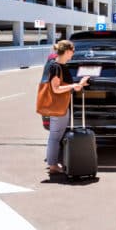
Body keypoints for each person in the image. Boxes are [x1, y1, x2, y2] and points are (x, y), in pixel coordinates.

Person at [44, 40, 89, 175]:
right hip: (58, 106)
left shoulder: (61, 66)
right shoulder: (56, 67)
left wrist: (79, 84)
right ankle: (52, 165)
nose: (73, 54)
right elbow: (56, 89)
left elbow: (64, 86)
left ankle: (53, 164)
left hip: (62, 105)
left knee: (56, 136)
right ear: (67, 51)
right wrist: (73, 86)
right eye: (73, 51)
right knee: (55, 137)